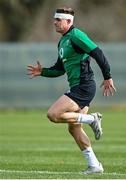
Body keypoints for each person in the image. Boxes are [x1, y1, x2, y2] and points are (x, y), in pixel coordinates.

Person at [27, 7, 116, 174]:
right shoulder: (62, 41)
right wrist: (43, 71)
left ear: (68, 22)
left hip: (83, 86)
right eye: (54, 19)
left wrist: (107, 76)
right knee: (74, 128)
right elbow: (60, 69)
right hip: (79, 87)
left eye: (58, 20)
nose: (54, 22)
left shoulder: (76, 35)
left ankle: (92, 119)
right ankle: (95, 165)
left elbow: (98, 53)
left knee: (53, 114)